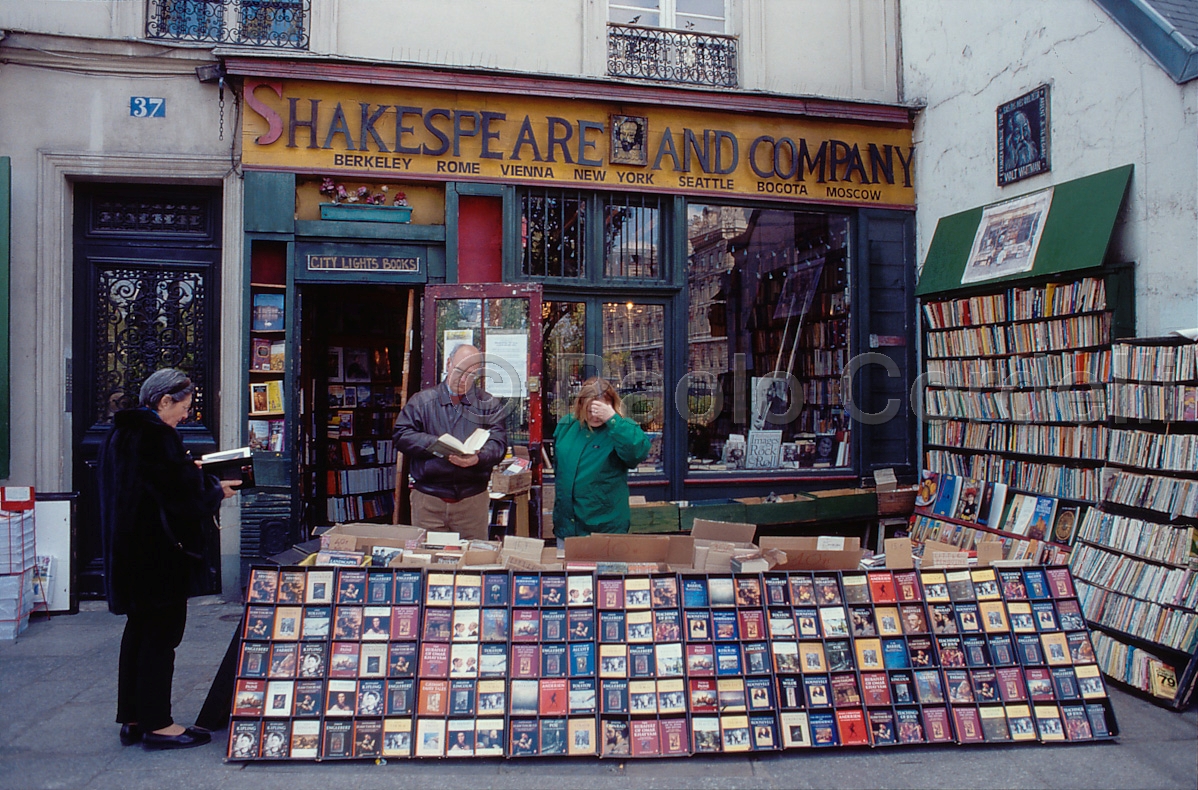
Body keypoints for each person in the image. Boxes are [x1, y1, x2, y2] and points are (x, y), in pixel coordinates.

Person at [97, 368, 238, 750]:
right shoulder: (157, 436)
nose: (185, 416)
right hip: (158, 556)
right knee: (162, 636)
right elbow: (181, 499)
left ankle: (133, 716)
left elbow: (147, 486)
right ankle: (158, 724)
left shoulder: (121, 433)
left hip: (129, 554)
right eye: (183, 407)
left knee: (138, 633)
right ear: (163, 401)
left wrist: (187, 473)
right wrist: (215, 490)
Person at [393, 344, 507, 540]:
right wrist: (435, 444)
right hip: (429, 500)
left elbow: (499, 444)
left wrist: (478, 458)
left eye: (471, 374)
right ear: (448, 364)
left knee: (473, 565)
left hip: (472, 501)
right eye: (460, 371)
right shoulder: (422, 401)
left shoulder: (488, 404)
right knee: (429, 564)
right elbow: (401, 435)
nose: (463, 379)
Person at [551, 378, 651, 542]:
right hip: (568, 525)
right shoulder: (566, 426)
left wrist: (612, 419)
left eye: (599, 411)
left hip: (606, 527)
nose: (594, 416)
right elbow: (559, 470)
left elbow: (637, 453)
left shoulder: (620, 428)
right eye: (589, 410)